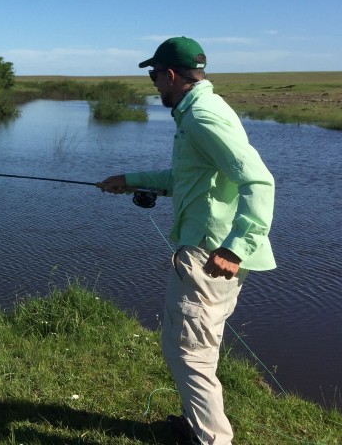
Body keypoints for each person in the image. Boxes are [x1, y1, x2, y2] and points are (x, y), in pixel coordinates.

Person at [98, 37, 275, 445]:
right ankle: (194, 424)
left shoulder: (202, 118)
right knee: (197, 345)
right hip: (210, 251)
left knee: (188, 353)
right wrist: (132, 180)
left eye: (154, 75)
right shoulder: (197, 111)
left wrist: (236, 248)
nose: (153, 83)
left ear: (171, 75)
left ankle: (211, 439)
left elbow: (259, 180)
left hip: (211, 255)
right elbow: (189, 180)